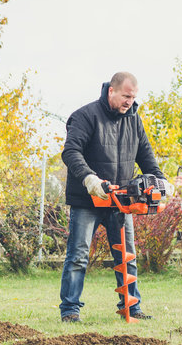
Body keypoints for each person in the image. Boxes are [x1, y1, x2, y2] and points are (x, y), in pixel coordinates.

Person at [59, 72, 172, 323]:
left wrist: (162, 181)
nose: (130, 101)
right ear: (111, 91)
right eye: (126, 96)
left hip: (121, 202)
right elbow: (71, 151)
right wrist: (90, 179)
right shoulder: (85, 116)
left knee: (127, 256)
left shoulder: (134, 121)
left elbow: (146, 158)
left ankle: (132, 307)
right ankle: (70, 311)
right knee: (78, 256)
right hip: (87, 200)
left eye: (133, 97)